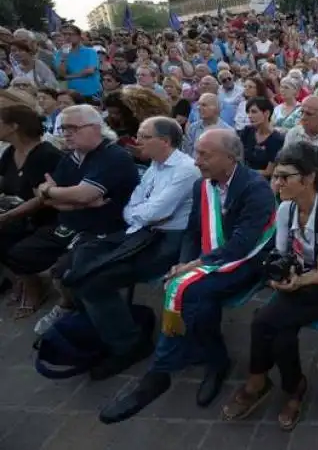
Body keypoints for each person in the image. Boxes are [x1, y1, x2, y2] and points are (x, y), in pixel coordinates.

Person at [99, 129, 276, 424]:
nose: (196, 161)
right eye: (196, 153)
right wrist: (183, 264)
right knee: (190, 292)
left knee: (191, 291)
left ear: (230, 158)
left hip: (245, 262)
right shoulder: (202, 185)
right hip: (210, 258)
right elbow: (193, 232)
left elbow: (242, 244)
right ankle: (215, 361)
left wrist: (194, 266)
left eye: (205, 155)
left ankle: (161, 371)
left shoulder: (255, 188)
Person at [220, 142, 318, 429]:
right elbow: (283, 254)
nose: (277, 182)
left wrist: (302, 280)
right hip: (302, 282)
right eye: (276, 176)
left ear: (308, 179)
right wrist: (279, 276)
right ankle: (293, 387)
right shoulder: (286, 209)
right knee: (280, 332)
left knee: (262, 321)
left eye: (285, 177)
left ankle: (258, 382)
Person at [68, 117, 199, 380]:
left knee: (92, 283)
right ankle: (112, 325)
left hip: (167, 242)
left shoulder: (185, 169)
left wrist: (141, 214)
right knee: (78, 262)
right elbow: (134, 206)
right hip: (141, 233)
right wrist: (140, 214)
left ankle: (128, 345)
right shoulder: (155, 165)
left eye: (144, 136)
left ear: (164, 141)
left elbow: (156, 211)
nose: (136, 141)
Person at [5, 105, 140, 333]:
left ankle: (69, 305)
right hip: (69, 223)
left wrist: (61, 194)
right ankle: (65, 300)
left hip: (106, 230)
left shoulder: (113, 156)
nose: (66, 133)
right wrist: (71, 199)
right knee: (18, 253)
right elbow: (44, 195)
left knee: (66, 273)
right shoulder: (71, 157)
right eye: (63, 128)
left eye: (72, 128)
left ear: (95, 128)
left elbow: (81, 193)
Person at [0, 105, 63, 314]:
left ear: (13, 127)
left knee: (17, 249)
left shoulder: (44, 154)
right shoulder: (10, 152)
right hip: (20, 213)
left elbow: (42, 199)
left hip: (50, 217)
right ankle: (25, 279)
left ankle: (33, 286)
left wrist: (8, 216)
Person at [238, 97, 283, 178]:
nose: (249, 116)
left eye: (254, 112)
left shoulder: (276, 139)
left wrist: (244, 172)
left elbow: (269, 172)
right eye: (248, 112)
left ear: (267, 113)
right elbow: (239, 157)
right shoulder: (247, 131)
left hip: (261, 181)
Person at [54, 25, 101, 100]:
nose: (67, 37)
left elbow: (89, 71)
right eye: (64, 34)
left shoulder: (90, 51)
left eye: (70, 34)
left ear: (79, 36)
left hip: (91, 92)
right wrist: (65, 56)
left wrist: (68, 77)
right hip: (72, 95)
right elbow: (61, 74)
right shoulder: (59, 54)